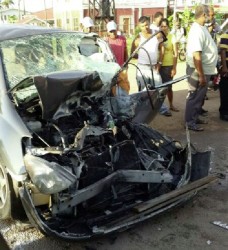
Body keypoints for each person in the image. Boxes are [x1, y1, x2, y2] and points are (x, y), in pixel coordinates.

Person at [185, 4, 218, 131]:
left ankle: (195, 117)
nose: (213, 17)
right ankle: (190, 122)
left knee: (199, 98)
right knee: (194, 97)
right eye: (211, 14)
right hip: (198, 71)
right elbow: (196, 55)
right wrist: (201, 75)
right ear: (204, 15)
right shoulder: (197, 31)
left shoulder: (202, 27)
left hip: (204, 69)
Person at [130, 16, 165, 91]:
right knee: (143, 92)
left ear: (149, 23)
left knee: (159, 90)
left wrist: (160, 62)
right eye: (142, 26)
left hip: (154, 67)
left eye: (146, 25)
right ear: (139, 26)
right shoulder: (137, 38)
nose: (145, 27)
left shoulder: (157, 34)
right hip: (142, 68)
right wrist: (142, 56)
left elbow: (162, 48)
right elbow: (132, 54)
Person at [159, 18, 179, 112]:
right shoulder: (158, 36)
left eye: (165, 26)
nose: (163, 28)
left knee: (168, 87)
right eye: (162, 26)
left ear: (168, 26)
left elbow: (176, 53)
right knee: (159, 87)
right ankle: (159, 107)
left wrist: (174, 68)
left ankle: (171, 104)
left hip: (168, 65)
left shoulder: (172, 37)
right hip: (158, 65)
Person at [218, 31, 228, 121]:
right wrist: (224, 67)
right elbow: (223, 52)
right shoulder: (225, 35)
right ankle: (224, 112)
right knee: (225, 90)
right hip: (227, 65)